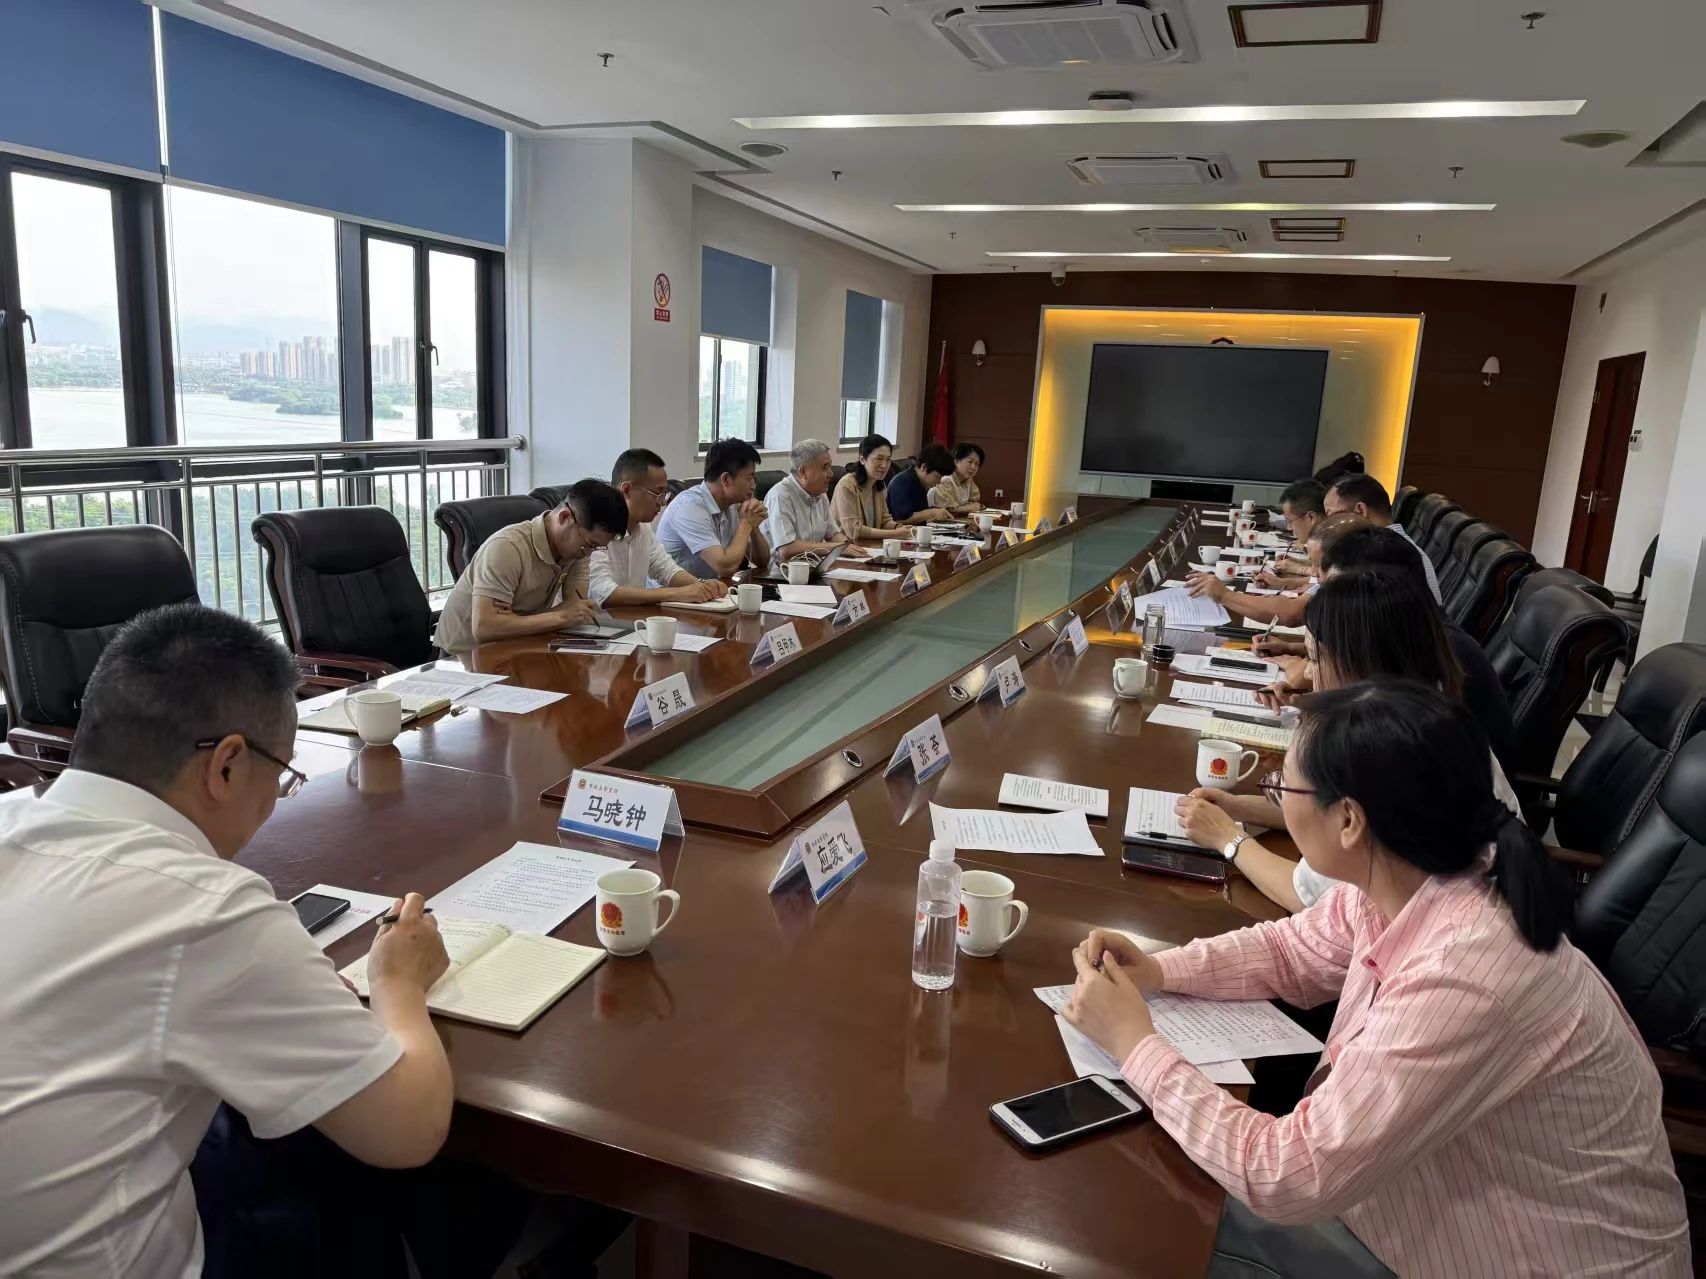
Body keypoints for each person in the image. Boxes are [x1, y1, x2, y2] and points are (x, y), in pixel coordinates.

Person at [1065, 682, 1691, 1279]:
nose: (1276, 797)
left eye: (1284, 787)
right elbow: (1292, 950)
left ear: (1349, 821)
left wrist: (1135, 1045)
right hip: (1423, 1208)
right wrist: (1162, 969)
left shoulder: (1466, 973)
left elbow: (1286, 1174)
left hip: (1512, 1260)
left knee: (1158, 1218)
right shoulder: (1418, 876)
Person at [0, 604, 460, 1276]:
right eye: (282, 776)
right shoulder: (201, 907)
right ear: (227, 765)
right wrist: (397, 981)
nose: (275, 799)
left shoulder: (12, 819)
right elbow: (409, 1129)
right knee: (331, 1167)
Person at [1178, 568, 1522, 914]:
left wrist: (1228, 838)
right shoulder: (1427, 716)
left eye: (1314, 658)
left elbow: (1307, 896)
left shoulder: (1383, 750)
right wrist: (1237, 808)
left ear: (1360, 662)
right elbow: (1333, 817)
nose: (1307, 673)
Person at [1320, 523, 1517, 775]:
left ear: (1379, 594)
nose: (1332, 608)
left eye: (1341, 596)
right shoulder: (1422, 630)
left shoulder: (1435, 652)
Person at [437, 478, 628, 653]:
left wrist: (516, 620)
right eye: (590, 544)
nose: (590, 553)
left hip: (518, 645)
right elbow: (485, 628)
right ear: (564, 517)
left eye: (596, 547)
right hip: (463, 657)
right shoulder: (507, 547)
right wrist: (561, 617)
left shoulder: (577, 549)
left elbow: (574, 606)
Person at [588, 448, 729, 607]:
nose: (662, 503)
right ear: (627, 490)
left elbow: (666, 569)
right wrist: (678, 593)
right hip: (600, 620)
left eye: (664, 494)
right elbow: (602, 592)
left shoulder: (643, 527)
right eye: (657, 493)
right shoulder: (595, 529)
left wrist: (702, 586)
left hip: (632, 617)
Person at [655, 438, 772, 579]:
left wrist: (754, 527)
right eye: (749, 479)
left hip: (708, 589)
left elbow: (762, 561)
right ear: (725, 479)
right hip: (672, 591)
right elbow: (725, 568)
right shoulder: (690, 508)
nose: (753, 486)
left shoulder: (733, 505)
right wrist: (746, 523)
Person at [1324, 473, 1441, 602]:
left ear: (1361, 510)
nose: (1328, 526)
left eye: (1332, 516)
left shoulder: (1384, 555)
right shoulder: (1393, 545)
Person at [763, 438, 859, 561]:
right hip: (779, 570)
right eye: (825, 468)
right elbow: (787, 549)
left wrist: (848, 546)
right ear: (803, 472)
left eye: (830, 467)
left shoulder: (820, 493)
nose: (831, 474)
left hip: (813, 565)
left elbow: (833, 534)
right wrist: (837, 548)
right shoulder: (780, 496)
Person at [1254, 479, 1324, 589]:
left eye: (1290, 521)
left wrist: (1226, 595)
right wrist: (1297, 564)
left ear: (1311, 517)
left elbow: (1324, 581)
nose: (1289, 528)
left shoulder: (1337, 542)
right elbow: (1323, 576)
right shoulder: (1324, 540)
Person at [831, 433, 902, 542]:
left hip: (871, 546)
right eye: (879, 459)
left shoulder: (879, 484)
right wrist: (895, 533)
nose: (884, 465)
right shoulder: (847, 485)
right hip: (847, 547)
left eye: (888, 460)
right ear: (862, 459)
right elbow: (854, 531)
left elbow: (884, 521)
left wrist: (899, 527)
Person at [885, 443, 953, 525]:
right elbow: (899, 520)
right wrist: (932, 513)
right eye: (937, 477)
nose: (939, 482)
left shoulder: (921, 482)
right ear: (923, 467)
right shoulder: (902, 482)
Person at [930, 442, 984, 515]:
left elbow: (974, 502)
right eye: (970, 462)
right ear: (956, 461)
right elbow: (950, 509)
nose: (973, 467)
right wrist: (969, 508)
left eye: (977, 463)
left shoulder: (968, 481)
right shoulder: (946, 479)